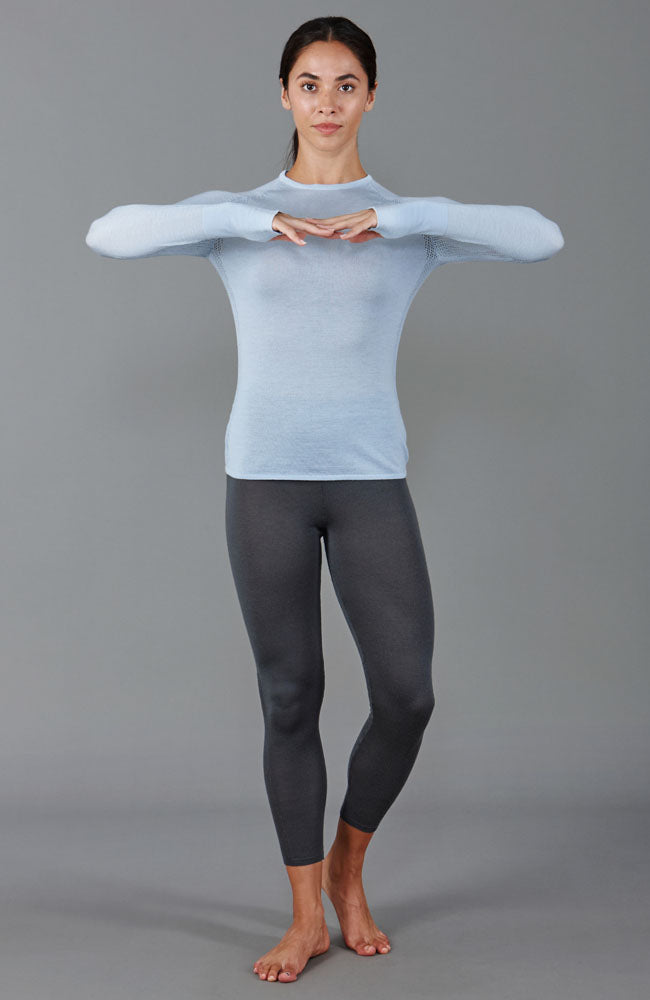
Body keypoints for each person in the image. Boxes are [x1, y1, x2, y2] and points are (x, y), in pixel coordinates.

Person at [85, 13, 564, 985]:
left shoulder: (406, 226)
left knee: (406, 693)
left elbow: (541, 237)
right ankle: (307, 914)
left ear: (371, 96)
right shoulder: (236, 217)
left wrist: (401, 218)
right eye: (309, 83)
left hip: (368, 481)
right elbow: (108, 233)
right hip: (263, 482)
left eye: (346, 83)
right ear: (284, 95)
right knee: (289, 694)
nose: (327, 102)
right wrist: (251, 221)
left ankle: (349, 863)